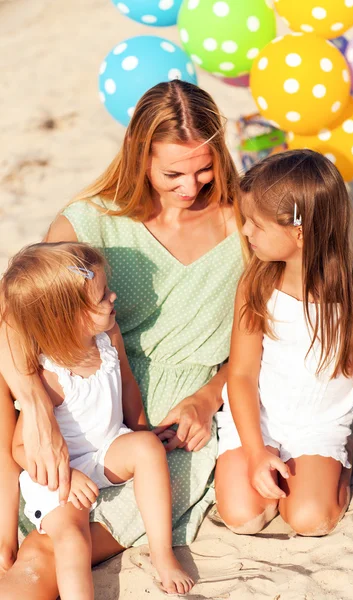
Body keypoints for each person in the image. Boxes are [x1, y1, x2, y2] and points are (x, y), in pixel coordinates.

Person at [0, 80, 243, 598]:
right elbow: (14, 316)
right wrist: (35, 404)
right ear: (140, 156)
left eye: (205, 167)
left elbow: (264, 333)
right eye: (172, 173)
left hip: (176, 426)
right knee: (45, 547)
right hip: (82, 415)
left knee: (53, 552)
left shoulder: (243, 222)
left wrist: (209, 394)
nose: (191, 186)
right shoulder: (92, 222)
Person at [215, 149, 353, 537]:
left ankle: (344, 453)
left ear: (298, 232)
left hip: (320, 422)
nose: (245, 232)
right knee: (242, 517)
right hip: (260, 417)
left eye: (255, 224)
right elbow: (243, 374)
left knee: (310, 520)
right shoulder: (257, 282)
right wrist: (255, 451)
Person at [3, 241, 194, 597]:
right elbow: (20, 448)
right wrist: (65, 479)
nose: (113, 296)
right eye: (103, 294)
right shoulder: (51, 376)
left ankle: (163, 554)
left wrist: (140, 432)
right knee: (73, 541)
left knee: (147, 448)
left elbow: (127, 383)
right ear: (69, 316)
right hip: (59, 474)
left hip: (105, 449)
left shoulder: (107, 337)